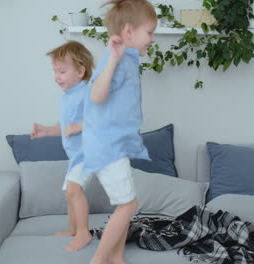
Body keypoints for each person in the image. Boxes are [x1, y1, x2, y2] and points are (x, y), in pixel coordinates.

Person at [82, 0, 157, 263]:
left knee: (126, 203)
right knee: (129, 206)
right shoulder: (115, 58)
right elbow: (95, 96)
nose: (152, 38)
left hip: (113, 145)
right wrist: (112, 60)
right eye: (149, 32)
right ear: (128, 32)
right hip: (107, 147)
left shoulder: (127, 60)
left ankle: (117, 258)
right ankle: (99, 260)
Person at [30, 40, 94, 251]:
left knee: (75, 191)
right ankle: (73, 229)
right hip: (76, 156)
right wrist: (47, 131)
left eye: (62, 71)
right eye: (55, 72)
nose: (57, 77)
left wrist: (79, 126)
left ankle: (84, 233)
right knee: (69, 193)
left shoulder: (87, 94)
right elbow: (64, 126)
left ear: (80, 71)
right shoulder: (67, 98)